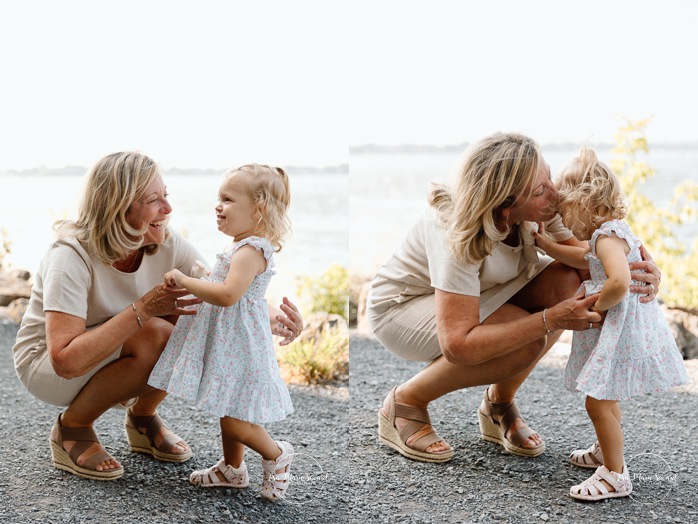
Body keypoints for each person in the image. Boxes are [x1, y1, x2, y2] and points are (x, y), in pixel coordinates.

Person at [366, 132, 661, 463]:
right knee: (527, 339)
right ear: (505, 208)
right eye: (540, 191)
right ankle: (405, 403)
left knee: (568, 280)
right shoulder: (454, 227)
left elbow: (590, 258)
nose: (557, 194)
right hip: (402, 307)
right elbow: (458, 343)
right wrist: (551, 319)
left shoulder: (543, 206)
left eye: (549, 176)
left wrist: (637, 264)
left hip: (478, 294)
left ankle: (498, 404)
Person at [12, 152, 302, 481]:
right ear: (119, 207)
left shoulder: (163, 242)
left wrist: (274, 315)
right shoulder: (70, 255)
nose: (168, 208)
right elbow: (64, 360)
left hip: (108, 348)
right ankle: (72, 429)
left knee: (193, 317)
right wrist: (144, 308)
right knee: (157, 334)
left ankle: (142, 418)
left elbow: (219, 291)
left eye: (167, 195)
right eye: (154, 200)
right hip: (49, 367)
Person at [533, 148, 688, 501]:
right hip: (625, 324)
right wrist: (545, 244)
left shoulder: (606, 238)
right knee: (607, 394)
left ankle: (615, 475)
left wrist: (596, 308)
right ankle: (606, 451)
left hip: (619, 325)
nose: (564, 220)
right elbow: (579, 255)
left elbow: (618, 282)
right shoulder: (610, 234)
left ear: (585, 205)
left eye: (567, 210)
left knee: (598, 401)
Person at [148, 163, 295, 501]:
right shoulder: (239, 246)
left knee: (234, 419)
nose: (218, 205)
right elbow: (223, 285)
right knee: (229, 406)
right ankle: (232, 469)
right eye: (219, 198)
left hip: (240, 344)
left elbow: (229, 295)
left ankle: (276, 453)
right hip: (232, 342)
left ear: (258, 210)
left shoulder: (250, 251)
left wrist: (187, 281)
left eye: (228, 199)